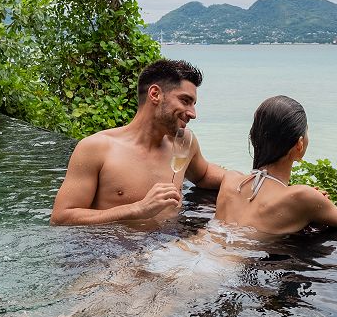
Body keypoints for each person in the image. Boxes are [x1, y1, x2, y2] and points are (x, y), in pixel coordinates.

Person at [51, 59, 225, 226]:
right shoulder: (97, 148)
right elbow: (61, 217)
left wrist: (249, 181)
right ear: (155, 94)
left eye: (193, 104)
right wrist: (137, 209)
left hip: (170, 249)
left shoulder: (184, 142)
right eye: (185, 101)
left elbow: (203, 174)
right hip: (116, 251)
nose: (193, 113)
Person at [214, 95, 337, 237]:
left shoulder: (230, 180)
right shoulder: (303, 197)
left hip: (197, 251)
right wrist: (313, 206)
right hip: (225, 271)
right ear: (299, 145)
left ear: (254, 138)